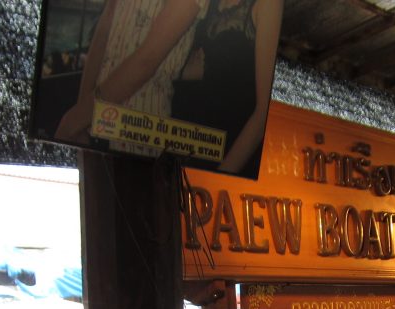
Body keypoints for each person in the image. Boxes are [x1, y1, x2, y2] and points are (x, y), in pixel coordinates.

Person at [55, 0, 208, 146]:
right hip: (93, 118)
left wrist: (75, 120)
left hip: (138, 127)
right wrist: (82, 116)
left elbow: (147, 60)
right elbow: (104, 28)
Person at [171, 0, 284, 177]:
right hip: (187, 148)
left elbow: (263, 113)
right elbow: (208, 73)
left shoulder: (267, 4)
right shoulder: (208, 4)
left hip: (229, 155)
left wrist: (220, 176)